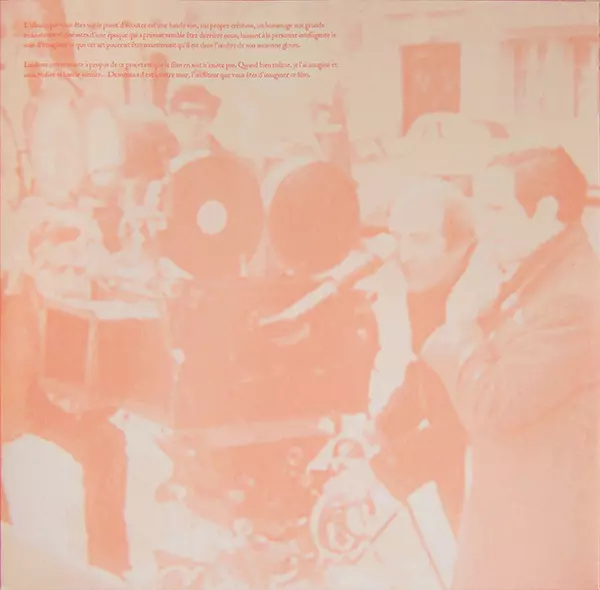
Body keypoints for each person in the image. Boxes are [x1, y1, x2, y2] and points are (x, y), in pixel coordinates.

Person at [421, 146, 599, 590]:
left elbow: (493, 404)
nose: (482, 225)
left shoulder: (573, 297)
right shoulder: (529, 270)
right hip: (512, 526)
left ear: (547, 211)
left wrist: (461, 323)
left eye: (496, 209)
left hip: (543, 542)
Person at [369, 178, 475, 537]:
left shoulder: (483, 299)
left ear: (461, 242)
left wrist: (388, 469)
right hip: (454, 470)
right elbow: (428, 375)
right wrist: (385, 426)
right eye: (397, 238)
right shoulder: (430, 284)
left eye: (419, 238)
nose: (403, 255)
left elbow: (472, 424)